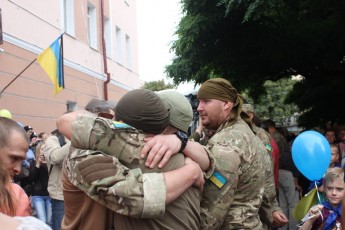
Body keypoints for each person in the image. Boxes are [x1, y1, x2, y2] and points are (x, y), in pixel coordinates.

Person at [57, 89, 203, 229]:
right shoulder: (81, 154)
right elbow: (136, 198)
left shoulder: (157, 153)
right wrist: (191, 171)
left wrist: (180, 142)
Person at [139, 78, 266, 229]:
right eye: (199, 102)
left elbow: (213, 209)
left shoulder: (226, 143)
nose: (199, 108)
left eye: (206, 101)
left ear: (226, 104)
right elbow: (267, 183)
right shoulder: (246, 132)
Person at [242, 104, 288, 229]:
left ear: (250, 115)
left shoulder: (262, 135)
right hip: (249, 189)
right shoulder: (240, 132)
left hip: (263, 188)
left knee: (264, 220)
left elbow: (268, 163)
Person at [0, 117, 31, 216]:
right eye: (14, 158)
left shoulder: (16, 196)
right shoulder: (16, 196)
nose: (18, 169)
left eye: (21, 160)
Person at [29, 142, 52, 227]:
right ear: (39, 150)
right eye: (42, 149)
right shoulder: (34, 162)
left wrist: (48, 163)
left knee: (50, 221)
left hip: (50, 195)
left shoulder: (51, 162)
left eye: (46, 149)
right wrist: (38, 163)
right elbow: (31, 178)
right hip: (38, 195)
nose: (44, 151)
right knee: (42, 220)